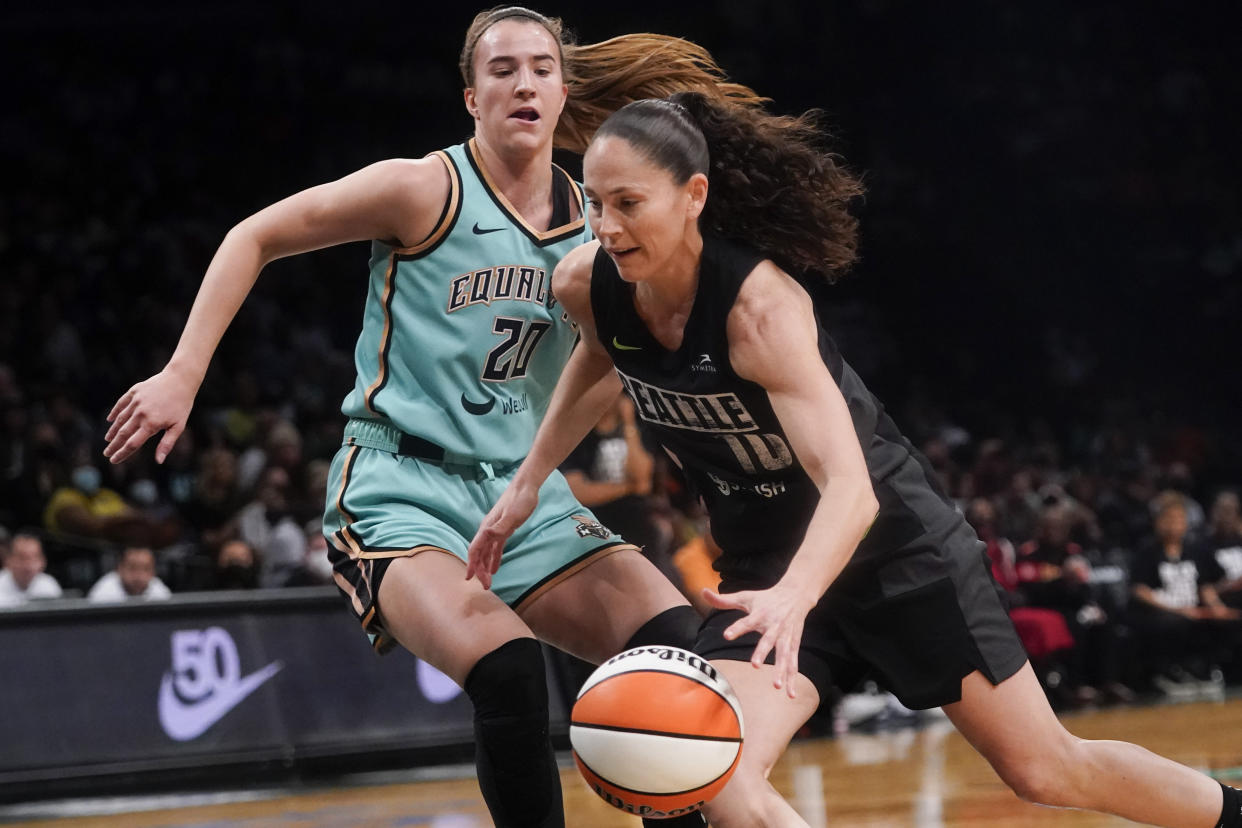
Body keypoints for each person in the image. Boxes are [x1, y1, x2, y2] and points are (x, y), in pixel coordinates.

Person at [469, 92, 1242, 827]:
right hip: (768, 570)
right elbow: (597, 359)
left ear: (694, 196)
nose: (605, 225)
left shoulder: (760, 312)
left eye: (629, 203)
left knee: (1046, 770)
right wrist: (528, 483)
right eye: (595, 203)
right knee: (715, 772)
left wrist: (797, 596)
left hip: (895, 556)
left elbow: (853, 489)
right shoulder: (589, 283)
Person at [102, 8, 764, 828]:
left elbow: (607, 371)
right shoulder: (423, 190)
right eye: (501, 70)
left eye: (541, 68)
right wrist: (182, 372)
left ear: (563, 93)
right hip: (397, 489)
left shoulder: (603, 227)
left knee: (679, 659)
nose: (523, 82)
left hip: (523, 494)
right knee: (511, 671)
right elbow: (255, 235)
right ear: (471, 97)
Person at [86, 545, 172, 602]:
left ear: (153, 572)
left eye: (146, 569)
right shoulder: (103, 593)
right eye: (132, 568)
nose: (139, 576)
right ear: (119, 568)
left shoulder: (159, 590)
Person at [0, 531, 63, 606]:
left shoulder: (49, 585)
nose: (28, 566)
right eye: (22, 558)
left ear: (43, 561)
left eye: (34, 558)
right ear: (8, 559)